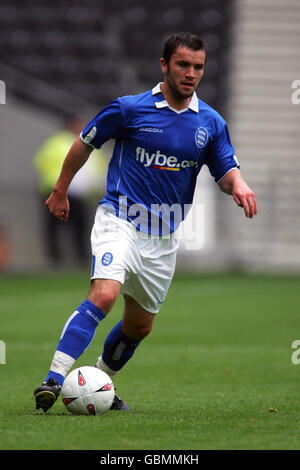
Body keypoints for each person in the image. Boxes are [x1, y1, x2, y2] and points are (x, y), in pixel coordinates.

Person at [34, 32, 257, 413]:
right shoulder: (129, 109)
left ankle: (101, 383)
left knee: (139, 327)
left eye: (198, 67)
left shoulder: (210, 123)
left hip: (164, 236)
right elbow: (85, 141)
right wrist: (60, 189)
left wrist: (238, 183)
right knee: (103, 295)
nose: (191, 73)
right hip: (120, 218)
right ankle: (53, 379)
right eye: (183, 65)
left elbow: (224, 169)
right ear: (164, 65)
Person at [34, 116, 107, 266]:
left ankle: (81, 259)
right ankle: (55, 260)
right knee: (54, 227)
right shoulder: (57, 142)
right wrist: (55, 183)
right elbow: (42, 161)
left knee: (80, 226)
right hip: (57, 191)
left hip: (80, 195)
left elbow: (98, 167)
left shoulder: (91, 141)